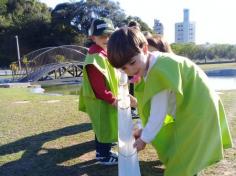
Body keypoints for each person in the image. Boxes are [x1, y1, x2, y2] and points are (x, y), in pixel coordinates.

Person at [107, 27, 233, 175]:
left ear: (145, 49)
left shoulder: (159, 70)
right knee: (186, 157)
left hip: (198, 112)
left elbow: (158, 113)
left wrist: (144, 139)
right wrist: (142, 128)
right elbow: (153, 107)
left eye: (132, 62)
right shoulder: (151, 66)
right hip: (193, 111)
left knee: (184, 160)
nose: (130, 70)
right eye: (123, 68)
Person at [79, 17, 119, 165]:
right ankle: (103, 156)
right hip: (100, 100)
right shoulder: (95, 56)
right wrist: (112, 99)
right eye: (102, 36)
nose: (106, 39)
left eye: (109, 35)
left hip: (104, 99)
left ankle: (105, 151)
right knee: (103, 126)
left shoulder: (103, 53)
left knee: (104, 126)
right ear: (93, 37)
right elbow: (98, 87)